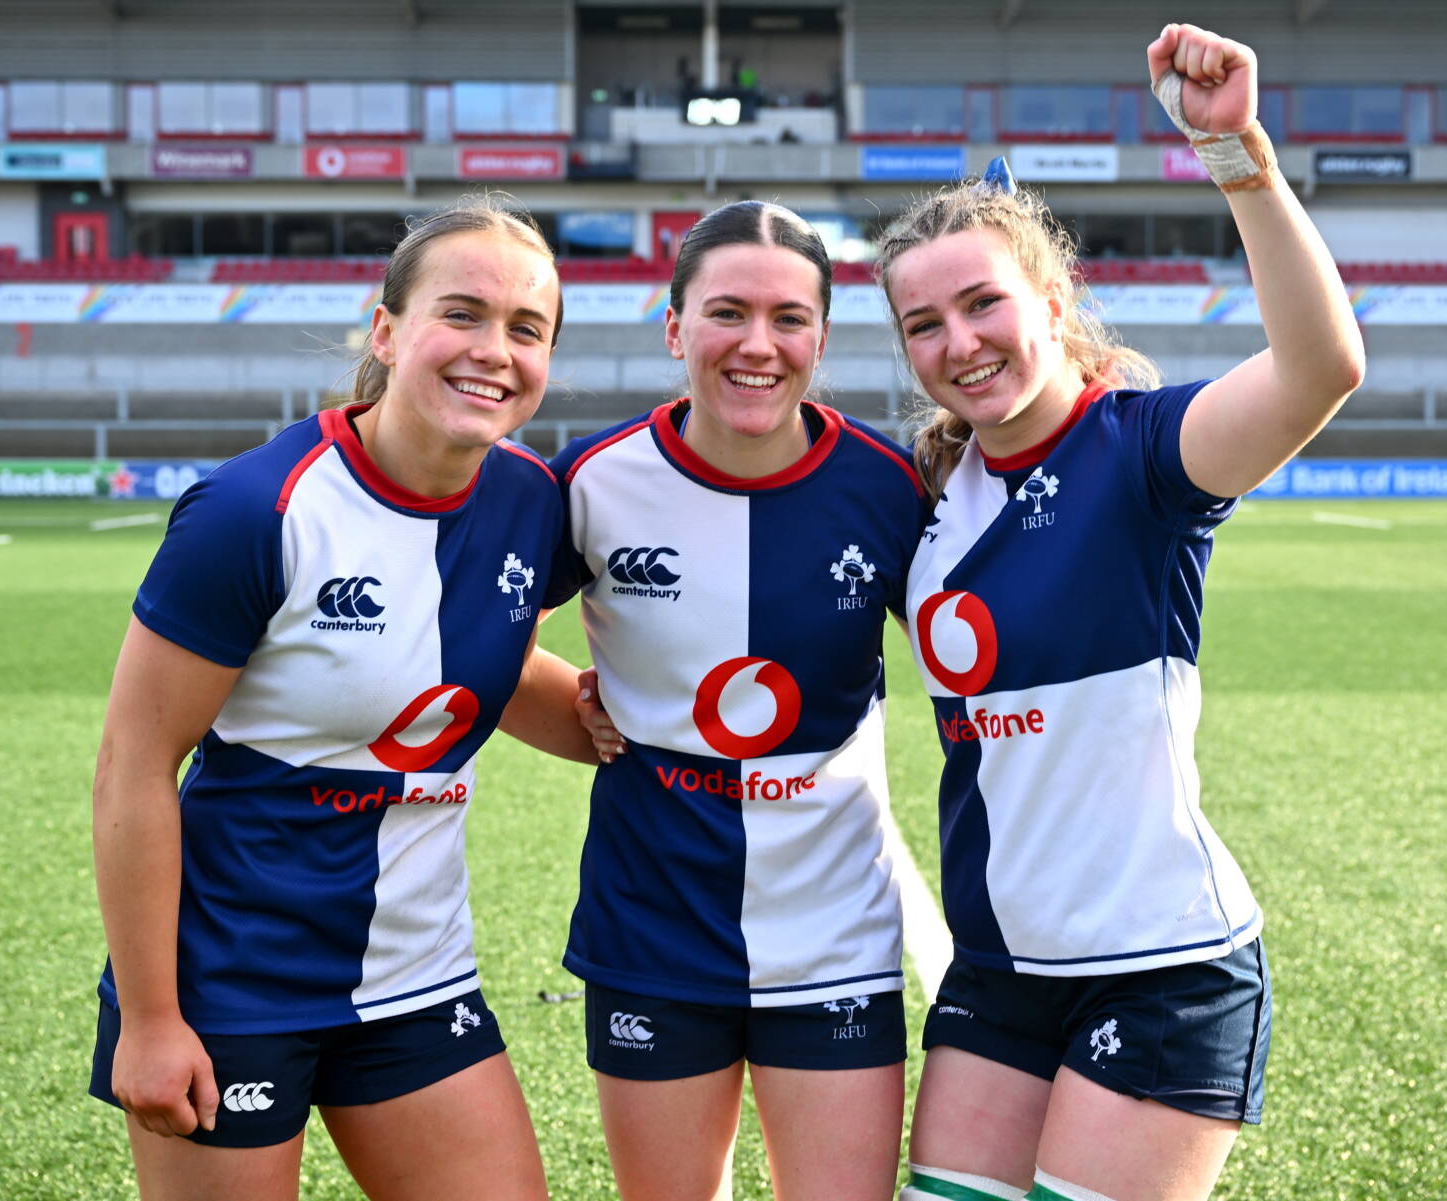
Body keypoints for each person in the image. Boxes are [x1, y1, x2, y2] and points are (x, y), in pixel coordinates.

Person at [878, 24, 1365, 1201]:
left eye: (982, 304)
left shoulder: (1141, 452)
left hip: (1160, 969)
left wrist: (1233, 150)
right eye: (922, 326)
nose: (960, 344)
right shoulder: (922, 498)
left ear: (1049, 301)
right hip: (996, 972)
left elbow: (1319, 368)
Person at [89, 199, 600, 1201]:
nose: (493, 350)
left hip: (417, 978)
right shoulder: (256, 511)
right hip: (229, 984)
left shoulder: (529, 500)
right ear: (387, 331)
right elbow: (134, 764)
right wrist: (152, 1018)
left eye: (526, 329)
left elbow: (469, 675)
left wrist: (641, 726)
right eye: (461, 314)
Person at [546, 200, 927, 1201]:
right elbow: (456, 635)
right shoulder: (592, 480)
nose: (757, 344)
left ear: (820, 337)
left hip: (834, 934)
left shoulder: (887, 488)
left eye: (788, 318)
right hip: (652, 933)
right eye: (726, 313)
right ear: (673, 327)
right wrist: (564, 702)